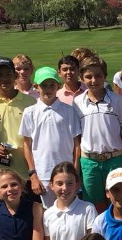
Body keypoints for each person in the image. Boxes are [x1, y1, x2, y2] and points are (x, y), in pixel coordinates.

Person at [19, 66, 82, 209]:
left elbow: (76, 144)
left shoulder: (69, 110)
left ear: (58, 86)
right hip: (43, 174)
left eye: (52, 85)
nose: (48, 89)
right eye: (43, 85)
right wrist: (33, 175)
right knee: (47, 216)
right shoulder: (30, 112)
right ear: (36, 87)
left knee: (70, 210)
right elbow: (27, 145)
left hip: (66, 172)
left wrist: (75, 172)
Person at [74, 58, 122, 211]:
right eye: (88, 77)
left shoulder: (117, 100)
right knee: (94, 206)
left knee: (118, 203)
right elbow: (77, 136)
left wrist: (118, 150)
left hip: (115, 159)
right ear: (81, 78)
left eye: (98, 76)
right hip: (89, 162)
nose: (94, 80)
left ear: (104, 75)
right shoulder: (77, 102)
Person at [0, 57, 36, 179]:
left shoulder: (31, 102)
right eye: (0, 75)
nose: (5, 79)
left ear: (15, 75)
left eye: (8, 74)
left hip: (28, 171)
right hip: (0, 173)